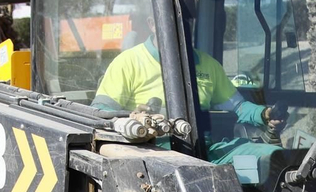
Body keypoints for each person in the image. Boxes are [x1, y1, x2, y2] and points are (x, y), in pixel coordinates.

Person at [92, 36, 280, 133]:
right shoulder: (127, 62)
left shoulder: (209, 65)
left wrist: (263, 114)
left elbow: (239, 107)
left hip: (205, 149)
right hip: (148, 150)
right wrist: (132, 117)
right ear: (152, 23)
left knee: (270, 157)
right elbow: (100, 112)